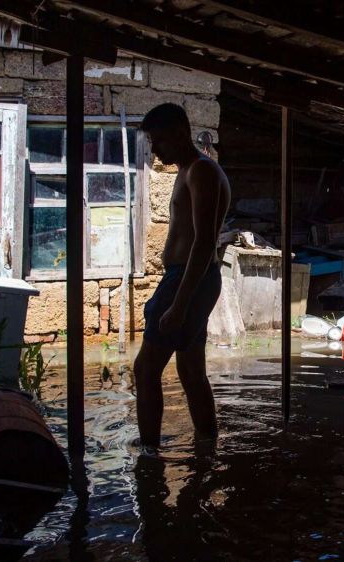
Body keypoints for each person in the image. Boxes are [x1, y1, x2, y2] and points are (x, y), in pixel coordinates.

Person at [133, 103, 231, 450]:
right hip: (193, 278)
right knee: (190, 373)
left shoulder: (200, 171)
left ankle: (148, 453)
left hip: (187, 278)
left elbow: (204, 242)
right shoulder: (191, 169)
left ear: (179, 133)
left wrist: (179, 302)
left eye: (158, 141)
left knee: (145, 370)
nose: (155, 150)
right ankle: (207, 445)